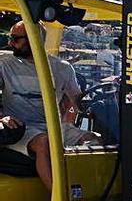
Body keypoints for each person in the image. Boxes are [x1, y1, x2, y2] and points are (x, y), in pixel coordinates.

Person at [0, 21, 99, 190]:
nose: (10, 43)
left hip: (53, 127)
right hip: (21, 128)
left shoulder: (62, 68)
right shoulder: (4, 65)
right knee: (43, 143)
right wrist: (2, 118)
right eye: (11, 38)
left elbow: (76, 101)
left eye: (15, 39)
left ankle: (92, 193)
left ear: (35, 39)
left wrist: (96, 103)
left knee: (96, 140)